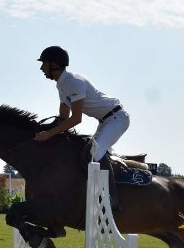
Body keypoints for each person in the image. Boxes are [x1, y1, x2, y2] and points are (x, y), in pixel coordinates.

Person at [34, 45, 130, 209]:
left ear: (54, 65)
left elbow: (76, 119)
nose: (41, 68)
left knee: (94, 152)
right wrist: (41, 129)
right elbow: (63, 118)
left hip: (117, 118)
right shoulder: (62, 85)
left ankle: (113, 198)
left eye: (44, 63)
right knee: (85, 152)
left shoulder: (73, 82)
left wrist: (49, 134)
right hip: (106, 120)